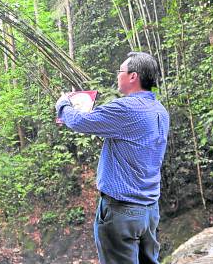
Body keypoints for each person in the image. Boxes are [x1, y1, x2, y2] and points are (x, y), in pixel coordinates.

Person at [55, 52, 169, 264]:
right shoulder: (160, 110)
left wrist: (63, 104)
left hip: (122, 211)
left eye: (120, 71)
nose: (117, 75)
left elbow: (80, 122)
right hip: (150, 208)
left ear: (133, 76)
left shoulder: (125, 109)